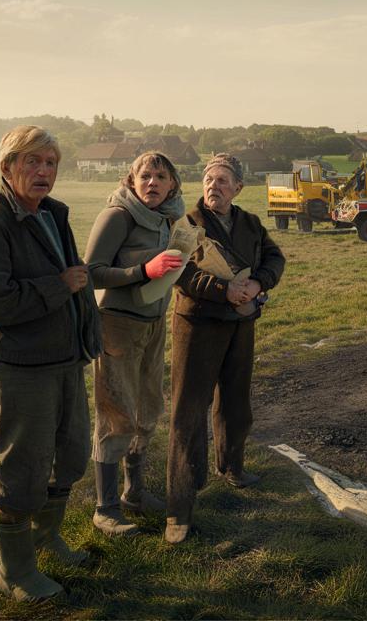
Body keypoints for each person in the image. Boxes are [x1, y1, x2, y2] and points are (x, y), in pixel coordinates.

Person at [0, 125, 102, 601]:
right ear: (6, 167)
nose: (43, 172)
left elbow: (73, 280)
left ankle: (45, 538)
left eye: (50, 163)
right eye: (32, 162)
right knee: (23, 470)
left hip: (64, 359)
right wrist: (62, 285)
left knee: (72, 453)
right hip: (21, 366)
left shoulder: (51, 213)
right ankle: (14, 571)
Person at [165, 154, 285, 543]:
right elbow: (180, 271)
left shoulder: (250, 222)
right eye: (208, 180)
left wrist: (258, 284)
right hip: (196, 325)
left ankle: (231, 466)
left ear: (238, 188)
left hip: (241, 324)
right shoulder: (186, 223)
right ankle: (179, 508)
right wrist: (223, 290)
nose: (213, 186)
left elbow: (274, 257)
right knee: (188, 411)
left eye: (222, 181)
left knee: (236, 403)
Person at [83, 152, 186, 536]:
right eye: (145, 176)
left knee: (148, 407)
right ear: (132, 179)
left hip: (153, 324)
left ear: (173, 183)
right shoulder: (118, 215)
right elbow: (90, 273)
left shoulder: (170, 216)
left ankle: (134, 493)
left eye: (161, 176)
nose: (152, 183)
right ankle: (105, 508)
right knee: (117, 412)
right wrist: (144, 270)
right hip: (118, 326)